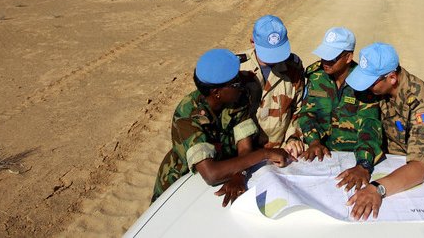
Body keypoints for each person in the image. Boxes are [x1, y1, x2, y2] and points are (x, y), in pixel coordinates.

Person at [151, 48, 290, 206]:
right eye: (235, 82)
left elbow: (244, 147)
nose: (241, 84)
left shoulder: (237, 97)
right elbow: (211, 173)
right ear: (216, 92)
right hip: (181, 183)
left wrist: (240, 173)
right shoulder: (187, 116)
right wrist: (264, 153)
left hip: (227, 168)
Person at [344, 42, 424, 220]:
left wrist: (376, 189)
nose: (366, 88)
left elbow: (419, 167)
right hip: (393, 166)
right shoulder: (381, 88)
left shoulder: (421, 103)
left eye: (370, 82)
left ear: (392, 78)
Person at [294, 27, 383, 191]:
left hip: (353, 159)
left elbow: (369, 124)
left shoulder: (363, 82)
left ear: (348, 57)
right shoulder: (315, 75)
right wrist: (313, 140)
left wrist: (363, 164)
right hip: (320, 156)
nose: (325, 62)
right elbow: (307, 113)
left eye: (332, 58)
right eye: (323, 56)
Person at [239, 14, 306, 157]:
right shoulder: (238, 68)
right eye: (267, 53)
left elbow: (299, 108)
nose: (273, 60)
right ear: (252, 42)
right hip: (244, 156)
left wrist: (294, 137)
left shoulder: (293, 67)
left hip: (283, 151)